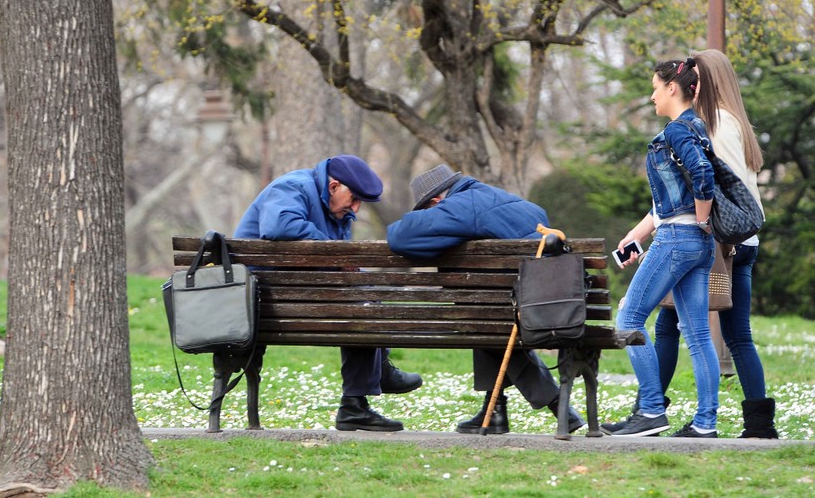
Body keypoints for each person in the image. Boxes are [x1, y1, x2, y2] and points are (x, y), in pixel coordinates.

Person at [386, 164, 585, 434]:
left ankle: (555, 403)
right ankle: (494, 412)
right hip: (545, 299)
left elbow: (400, 237)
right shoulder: (504, 199)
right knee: (482, 314)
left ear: (435, 201)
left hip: (517, 306)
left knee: (482, 317)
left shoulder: (461, 205)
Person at [234, 154, 422, 432]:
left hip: (298, 292)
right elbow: (278, 226)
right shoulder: (292, 187)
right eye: (354, 198)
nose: (355, 208)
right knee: (363, 300)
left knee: (366, 292)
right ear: (333, 186)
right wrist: (334, 250)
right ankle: (366, 390)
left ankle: (362, 395)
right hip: (268, 298)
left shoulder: (338, 210)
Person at [652, 49, 777, 438]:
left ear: (704, 81)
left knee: (668, 323)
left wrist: (656, 228)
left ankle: (650, 410)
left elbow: (700, 186)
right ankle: (759, 425)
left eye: (695, 75)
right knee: (738, 335)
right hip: (744, 241)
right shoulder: (735, 122)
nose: (689, 81)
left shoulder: (713, 124)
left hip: (718, 241)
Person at [606, 58, 721, 438]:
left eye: (656, 87)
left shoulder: (677, 130)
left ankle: (652, 410)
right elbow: (672, 198)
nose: (652, 94)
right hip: (696, 242)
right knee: (699, 335)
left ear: (673, 87)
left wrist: (702, 219)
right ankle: (705, 424)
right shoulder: (697, 128)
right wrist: (635, 235)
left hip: (678, 239)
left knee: (628, 318)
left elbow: (703, 176)